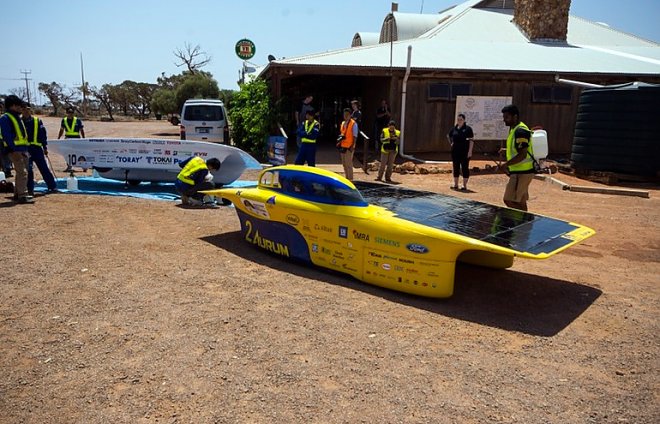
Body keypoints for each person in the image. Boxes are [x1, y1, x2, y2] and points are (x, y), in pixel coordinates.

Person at [498, 104, 535, 211]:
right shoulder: (514, 129)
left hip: (523, 172)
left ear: (515, 116)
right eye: (504, 117)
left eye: (507, 117)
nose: (504, 120)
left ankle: (523, 220)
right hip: (519, 171)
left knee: (509, 200)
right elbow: (519, 149)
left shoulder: (520, 131)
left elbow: (522, 154)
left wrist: (505, 165)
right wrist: (506, 151)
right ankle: (524, 222)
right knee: (520, 201)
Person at [0, 95, 33, 204]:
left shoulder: (17, 118)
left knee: (22, 172)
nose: (21, 108)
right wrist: (13, 148)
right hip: (15, 150)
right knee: (22, 172)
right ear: (13, 106)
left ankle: (17, 193)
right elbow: (6, 135)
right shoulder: (5, 118)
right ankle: (23, 195)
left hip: (23, 149)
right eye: (19, 106)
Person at [23, 106, 58, 195]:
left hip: (37, 149)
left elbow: (43, 135)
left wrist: (45, 147)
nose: (26, 112)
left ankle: (52, 186)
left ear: (30, 110)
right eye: (24, 110)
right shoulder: (19, 122)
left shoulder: (37, 121)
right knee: (29, 170)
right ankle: (30, 190)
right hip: (25, 150)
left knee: (44, 168)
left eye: (28, 109)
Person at [447, 113, 474, 191]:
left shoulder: (468, 129)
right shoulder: (454, 128)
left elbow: (471, 141)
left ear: (464, 120)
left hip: (465, 151)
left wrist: (470, 151)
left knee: (465, 167)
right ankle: (455, 184)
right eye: (458, 120)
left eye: (461, 120)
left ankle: (464, 185)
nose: (459, 121)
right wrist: (451, 143)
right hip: (455, 151)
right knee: (456, 167)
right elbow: (449, 136)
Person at [58, 106, 85, 172]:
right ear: (66, 113)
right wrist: (58, 138)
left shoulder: (77, 120)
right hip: (68, 138)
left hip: (76, 139)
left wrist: (84, 138)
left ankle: (84, 166)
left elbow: (81, 130)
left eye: (72, 112)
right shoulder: (64, 120)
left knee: (78, 153)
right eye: (69, 112)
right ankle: (69, 166)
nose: (70, 114)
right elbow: (61, 130)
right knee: (68, 153)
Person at [337, 108, 358, 181]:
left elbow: (355, 136)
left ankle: (351, 180)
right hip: (342, 145)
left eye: (347, 115)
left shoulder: (353, 123)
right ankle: (347, 179)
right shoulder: (343, 123)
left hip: (349, 146)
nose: (345, 116)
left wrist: (353, 145)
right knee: (344, 164)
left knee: (349, 164)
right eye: (344, 114)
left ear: (350, 115)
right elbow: (342, 133)